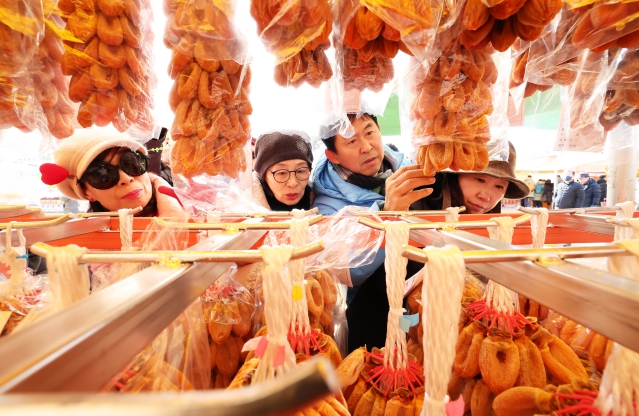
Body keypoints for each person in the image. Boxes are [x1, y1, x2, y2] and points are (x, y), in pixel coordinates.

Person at [39, 131, 183, 217]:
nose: (126, 179)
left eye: (131, 162)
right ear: (87, 192)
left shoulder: (193, 210)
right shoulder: (90, 246)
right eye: (103, 174)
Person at [252, 132, 314, 211]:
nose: (293, 183)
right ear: (263, 176)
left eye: (301, 171)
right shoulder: (241, 207)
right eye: (281, 173)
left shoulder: (322, 201)